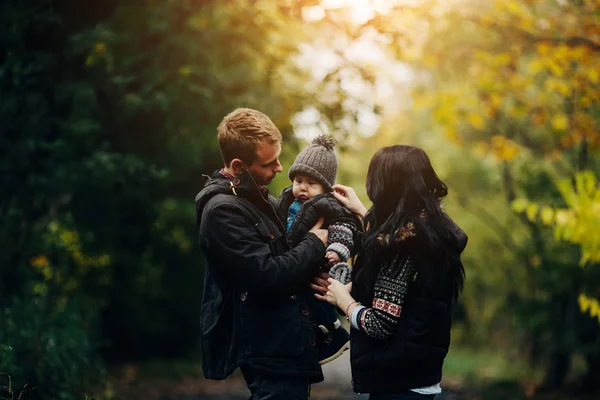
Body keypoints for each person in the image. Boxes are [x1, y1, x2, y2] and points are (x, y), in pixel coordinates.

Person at [314, 145, 468, 400]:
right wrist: (360, 211)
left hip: (399, 384)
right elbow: (390, 239)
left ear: (385, 186)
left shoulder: (402, 248)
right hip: (418, 375)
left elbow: (379, 324)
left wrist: (344, 300)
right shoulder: (431, 230)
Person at [195, 108, 329, 400]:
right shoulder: (222, 211)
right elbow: (266, 276)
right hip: (268, 347)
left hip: (286, 342)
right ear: (239, 166)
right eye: (270, 163)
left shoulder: (258, 198)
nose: (280, 168)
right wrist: (315, 243)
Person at [277, 135, 361, 365]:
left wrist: (338, 248)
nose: (302, 187)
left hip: (319, 261)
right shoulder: (285, 202)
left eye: (311, 183)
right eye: (299, 180)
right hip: (295, 260)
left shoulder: (330, 205)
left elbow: (346, 227)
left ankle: (334, 335)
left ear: (325, 187)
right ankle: (316, 338)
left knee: (318, 299)